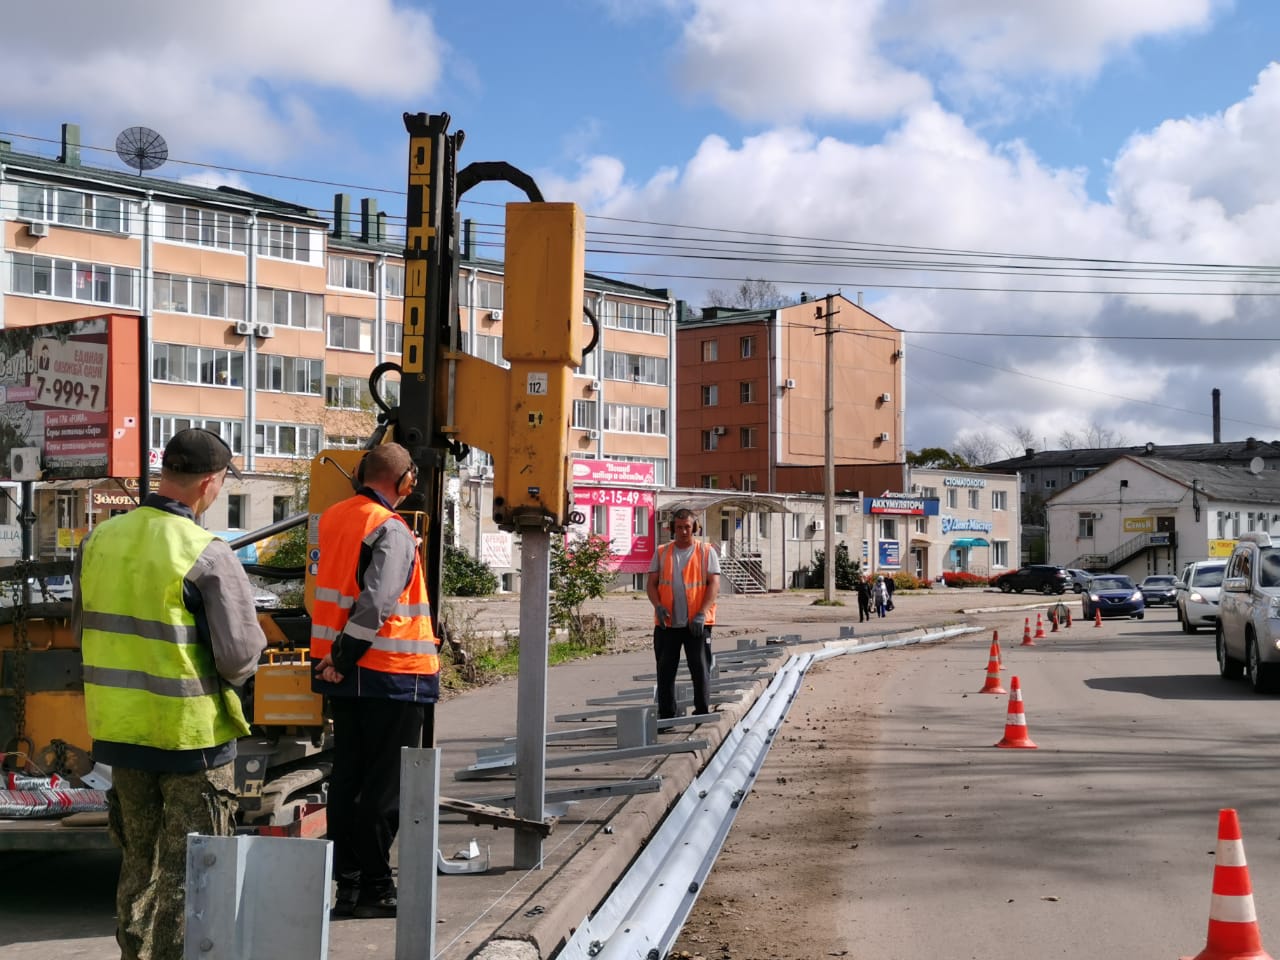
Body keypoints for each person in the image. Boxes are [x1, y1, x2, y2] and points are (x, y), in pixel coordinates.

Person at [74, 428, 266, 960]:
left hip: (119, 733)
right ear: (208, 483)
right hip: (191, 739)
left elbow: (83, 631)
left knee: (139, 858)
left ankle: (132, 954)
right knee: (189, 870)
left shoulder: (99, 540)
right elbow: (238, 657)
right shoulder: (206, 552)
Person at [311, 442, 440, 920]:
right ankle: (376, 885)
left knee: (347, 780)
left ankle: (346, 884)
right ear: (405, 481)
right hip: (390, 676)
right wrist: (348, 656)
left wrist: (337, 661)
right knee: (384, 790)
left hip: (341, 674)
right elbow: (378, 603)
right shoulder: (392, 528)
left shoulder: (335, 517)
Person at [646, 509, 720, 719]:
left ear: (695, 527)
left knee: (700, 669)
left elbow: (714, 585)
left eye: (687, 526)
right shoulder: (662, 552)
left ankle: (702, 712)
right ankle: (667, 714)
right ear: (671, 528)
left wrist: (702, 613)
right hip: (667, 623)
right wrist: (657, 605)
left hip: (696, 623)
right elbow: (651, 584)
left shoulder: (706, 552)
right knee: (665, 671)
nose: (684, 531)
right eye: (679, 527)